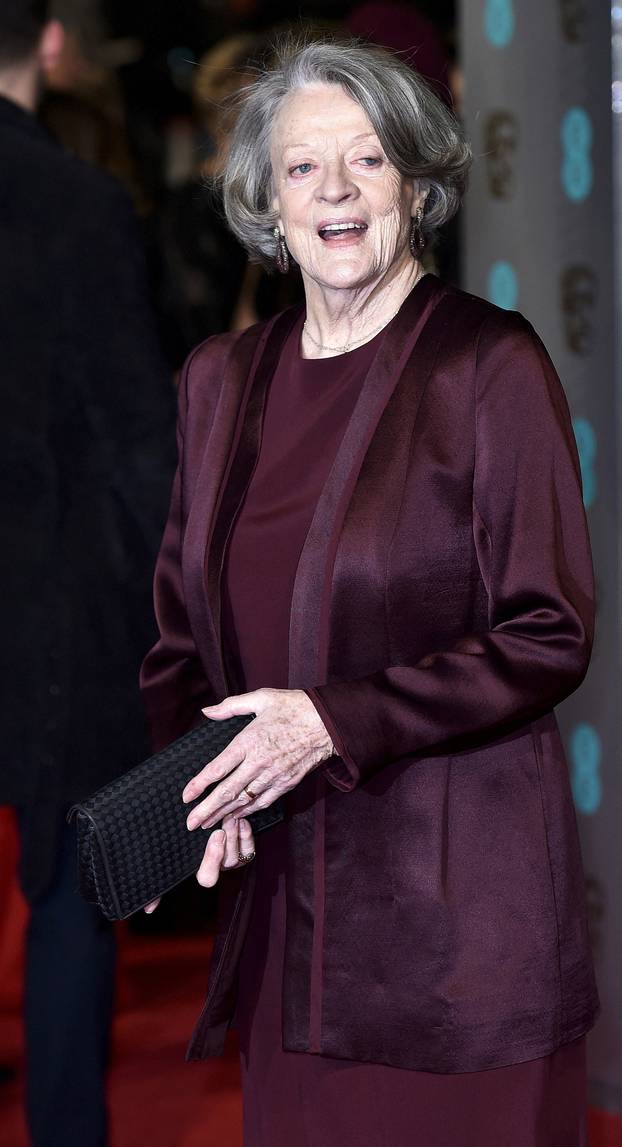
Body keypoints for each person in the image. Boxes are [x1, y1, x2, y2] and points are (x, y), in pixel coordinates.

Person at [140, 39, 598, 1147]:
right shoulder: (218, 380)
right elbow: (178, 642)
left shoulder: (488, 366)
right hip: (287, 927)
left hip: (459, 930)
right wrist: (196, 795)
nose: (335, 191)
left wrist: (327, 722)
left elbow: (548, 629)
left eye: (368, 159)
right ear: (266, 201)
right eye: (303, 167)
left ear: (417, 185)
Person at [0, 3, 176, 1144]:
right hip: (58, 616)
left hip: (49, 605)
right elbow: (137, 444)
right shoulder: (80, 205)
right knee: (71, 900)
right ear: (54, 42)